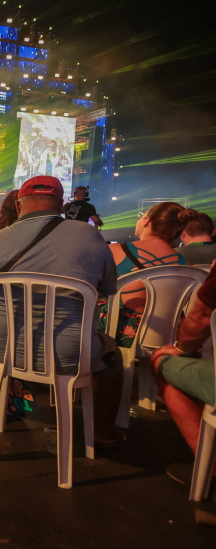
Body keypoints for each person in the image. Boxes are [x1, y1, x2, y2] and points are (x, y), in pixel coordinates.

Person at [0, 176, 125, 446]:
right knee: (113, 358)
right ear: (61, 204)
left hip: (3, 349)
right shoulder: (89, 235)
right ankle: (104, 432)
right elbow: (107, 288)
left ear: (18, 204)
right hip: (71, 355)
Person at [150, 266, 216, 483]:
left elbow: (201, 318)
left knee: (161, 361)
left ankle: (210, 467)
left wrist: (179, 348)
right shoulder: (177, 258)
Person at [98, 203, 191, 348]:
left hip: (117, 333)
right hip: (166, 336)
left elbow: (93, 286)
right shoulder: (186, 265)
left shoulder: (114, 251)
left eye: (141, 215)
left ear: (148, 221)